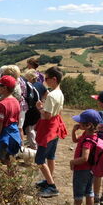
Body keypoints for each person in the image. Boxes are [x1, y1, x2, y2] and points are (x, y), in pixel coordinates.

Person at [35, 66, 68, 198]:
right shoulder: (60, 93)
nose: (45, 81)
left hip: (48, 129)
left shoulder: (51, 95)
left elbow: (47, 115)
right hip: (55, 128)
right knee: (51, 156)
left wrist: (40, 108)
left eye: (46, 79)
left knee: (39, 159)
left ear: (54, 79)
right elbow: (58, 112)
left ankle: (52, 186)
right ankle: (48, 180)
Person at [70, 109, 103, 205]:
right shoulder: (91, 135)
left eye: (80, 122)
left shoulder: (87, 141)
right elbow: (75, 140)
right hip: (90, 169)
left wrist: (73, 162)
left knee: (78, 192)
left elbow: (85, 158)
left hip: (82, 170)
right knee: (89, 191)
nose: (78, 123)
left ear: (88, 125)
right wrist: (74, 131)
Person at [0, 75, 21, 171]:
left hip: (4, 137)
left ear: (5, 88)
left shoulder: (2, 104)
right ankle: (13, 182)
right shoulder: (16, 101)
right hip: (14, 135)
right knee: (10, 160)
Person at [22, 69, 48, 149]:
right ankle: (36, 144)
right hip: (38, 109)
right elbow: (47, 92)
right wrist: (42, 100)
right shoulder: (40, 85)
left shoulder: (30, 86)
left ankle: (34, 147)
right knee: (35, 128)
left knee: (29, 129)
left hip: (31, 110)